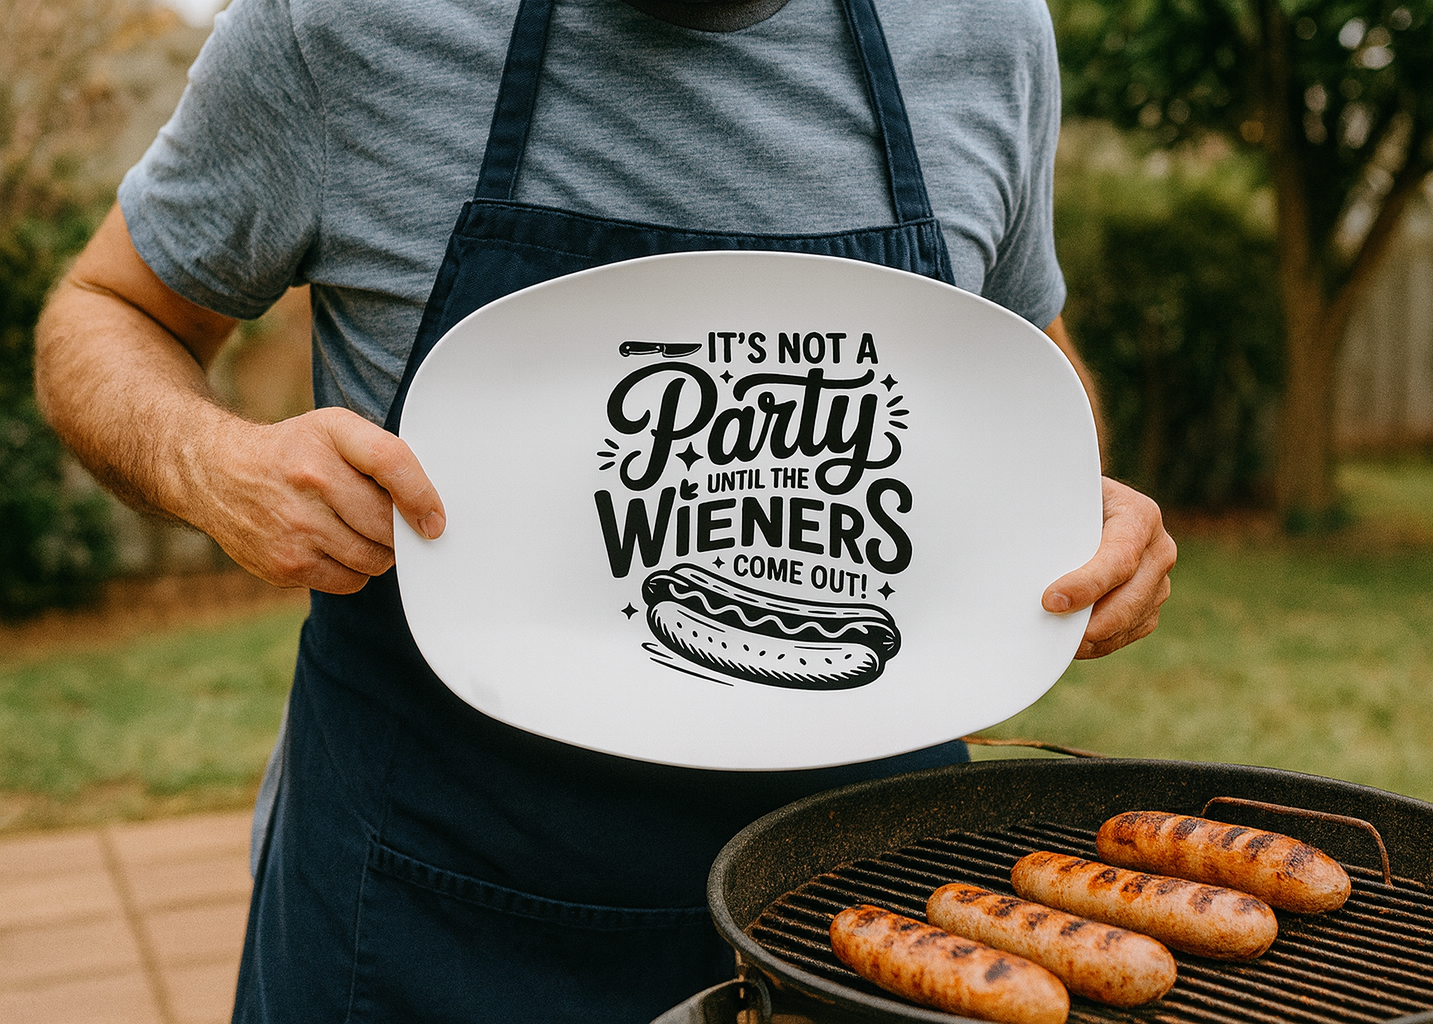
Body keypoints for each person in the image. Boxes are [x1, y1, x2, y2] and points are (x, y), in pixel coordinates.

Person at [35, 0, 1177, 1020]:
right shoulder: (341, 27)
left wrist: (1075, 508)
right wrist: (213, 461)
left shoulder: (984, 34)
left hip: (867, 906)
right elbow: (107, 310)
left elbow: (1024, 350)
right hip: (442, 888)